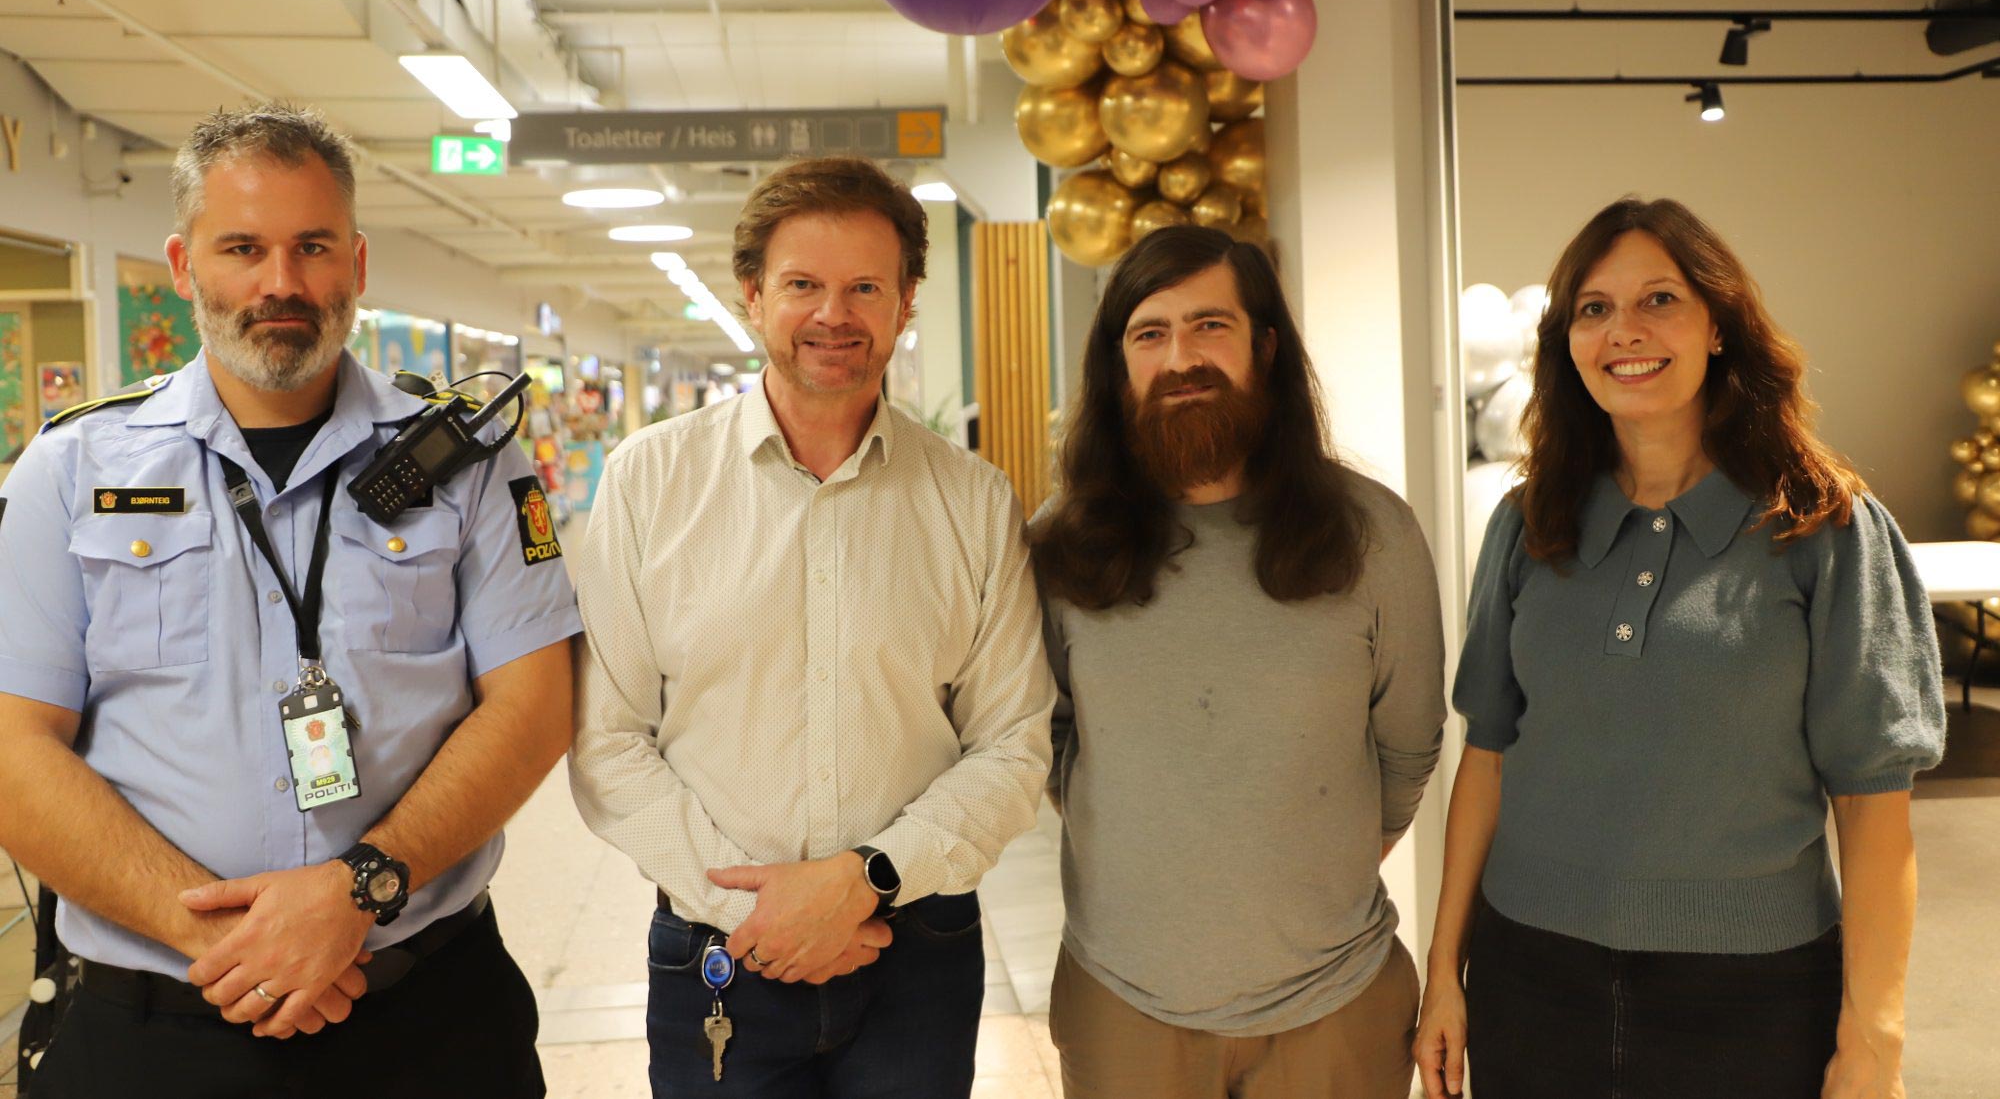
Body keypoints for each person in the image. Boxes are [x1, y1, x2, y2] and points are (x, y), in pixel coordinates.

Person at [0, 103, 580, 1097]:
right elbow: (15, 745)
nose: (281, 282)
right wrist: (245, 946)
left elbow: (533, 707)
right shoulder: (70, 470)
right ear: (185, 267)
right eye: (243, 247)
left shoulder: (467, 464)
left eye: (312, 247)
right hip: (156, 1031)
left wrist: (358, 891)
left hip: (428, 1022)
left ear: (355, 265)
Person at [1413, 198, 1947, 1099]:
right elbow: (1489, 758)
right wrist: (1443, 976)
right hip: (1533, 982)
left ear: (1719, 329)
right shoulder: (1528, 521)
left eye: (1659, 299)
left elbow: (1872, 803)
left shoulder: (1825, 527)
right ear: (1568, 344)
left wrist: (1875, 1038)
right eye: (1593, 308)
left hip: (1755, 996)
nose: (1624, 331)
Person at [568, 156, 1055, 1099]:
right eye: (803, 285)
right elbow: (609, 744)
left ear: (906, 301)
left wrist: (864, 881)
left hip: (918, 947)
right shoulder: (648, 482)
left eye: (865, 286)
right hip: (718, 953)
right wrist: (761, 913)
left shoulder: (972, 501)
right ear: (753, 296)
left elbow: (1013, 746)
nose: (835, 314)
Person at [1027, 226, 1445, 1099]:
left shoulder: (1373, 535)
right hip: (1122, 1005)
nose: (1182, 357)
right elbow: (1047, 740)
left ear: (1265, 346)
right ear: (1119, 364)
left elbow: (1408, 744)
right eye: (1151, 333)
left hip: (1336, 1005)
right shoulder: (1062, 549)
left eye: (1210, 325)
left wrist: (1297, 867)